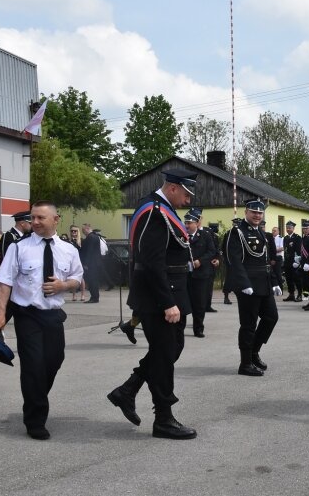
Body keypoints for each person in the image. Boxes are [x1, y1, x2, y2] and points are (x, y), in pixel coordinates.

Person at [106, 169, 198, 440]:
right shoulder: (155, 212)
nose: (188, 199)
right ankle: (164, 419)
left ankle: (127, 390)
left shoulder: (164, 209)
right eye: (186, 193)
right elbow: (152, 262)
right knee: (165, 355)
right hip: (161, 297)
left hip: (171, 294)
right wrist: (167, 302)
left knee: (168, 351)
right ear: (172, 188)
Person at [0, 201, 83, 440]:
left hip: (53, 316)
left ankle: (36, 396)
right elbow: (5, 282)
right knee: (32, 365)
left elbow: (78, 279)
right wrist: (0, 314)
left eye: (41, 217)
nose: (36, 222)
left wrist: (64, 285)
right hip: (27, 315)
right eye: (33, 218)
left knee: (54, 360)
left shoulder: (69, 250)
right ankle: (35, 419)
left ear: (55, 219)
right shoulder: (19, 248)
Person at [225, 199, 283, 376]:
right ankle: (245, 363)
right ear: (246, 213)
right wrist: (243, 283)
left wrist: (274, 282)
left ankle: (254, 352)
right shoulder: (236, 233)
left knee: (271, 318)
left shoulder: (263, 235)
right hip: (248, 285)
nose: (257, 215)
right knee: (248, 324)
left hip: (264, 283)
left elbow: (267, 262)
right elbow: (232, 261)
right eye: (253, 212)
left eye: (260, 213)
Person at [185, 208, 216, 338]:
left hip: (201, 274)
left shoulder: (205, 235)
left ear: (197, 223)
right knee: (183, 302)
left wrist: (201, 261)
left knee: (199, 303)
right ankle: (178, 327)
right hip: (185, 274)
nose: (186, 225)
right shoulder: (181, 235)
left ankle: (198, 328)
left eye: (189, 223)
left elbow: (211, 251)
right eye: (185, 222)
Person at [80, 223, 102, 303]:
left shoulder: (91, 237)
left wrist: (86, 263)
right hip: (95, 262)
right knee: (94, 280)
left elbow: (89, 251)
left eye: (83, 230)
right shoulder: (95, 237)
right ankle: (95, 297)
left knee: (92, 280)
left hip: (92, 263)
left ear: (87, 229)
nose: (83, 232)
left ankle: (94, 297)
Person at [282, 221, 303, 302]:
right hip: (287, 261)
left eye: (290, 228)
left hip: (294, 262)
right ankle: (291, 294)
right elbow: (285, 250)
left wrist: (297, 261)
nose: (288, 229)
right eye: (287, 228)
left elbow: (299, 250)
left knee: (297, 278)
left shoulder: (297, 237)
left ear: (293, 228)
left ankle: (300, 294)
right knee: (288, 279)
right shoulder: (285, 238)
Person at [68, 225, 86, 302]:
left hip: (80, 261)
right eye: (72, 231)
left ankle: (83, 294)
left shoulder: (81, 240)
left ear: (78, 232)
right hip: (71, 261)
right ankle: (74, 295)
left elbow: (84, 251)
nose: (73, 232)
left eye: (75, 231)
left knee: (81, 278)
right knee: (72, 278)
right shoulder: (69, 241)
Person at [205, 223, 220, 313]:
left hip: (211, 264)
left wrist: (217, 259)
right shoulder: (204, 234)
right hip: (203, 263)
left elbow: (216, 249)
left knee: (209, 286)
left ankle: (208, 305)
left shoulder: (215, 237)